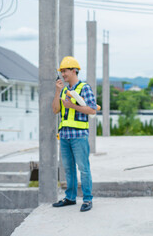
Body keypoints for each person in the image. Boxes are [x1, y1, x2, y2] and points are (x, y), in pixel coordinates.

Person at [52, 56, 97, 212]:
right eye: (61, 72)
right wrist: (58, 91)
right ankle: (70, 198)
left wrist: (72, 105)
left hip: (79, 136)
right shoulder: (63, 90)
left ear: (73, 70)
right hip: (65, 136)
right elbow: (55, 110)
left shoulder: (84, 88)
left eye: (65, 71)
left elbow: (92, 110)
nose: (63, 74)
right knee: (69, 169)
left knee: (83, 168)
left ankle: (87, 200)